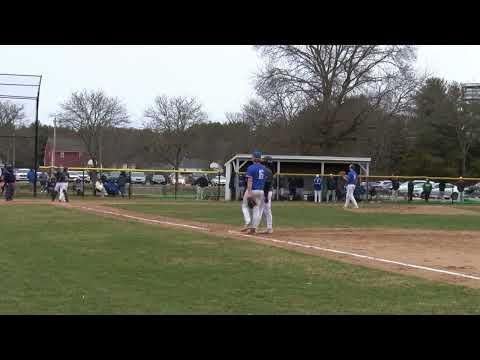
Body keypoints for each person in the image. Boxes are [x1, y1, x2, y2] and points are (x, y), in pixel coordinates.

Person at [240, 150, 267, 234]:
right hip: (261, 191)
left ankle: (247, 221)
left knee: (244, 206)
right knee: (256, 209)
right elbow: (264, 180)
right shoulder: (264, 168)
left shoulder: (251, 168)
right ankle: (254, 228)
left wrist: (249, 193)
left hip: (253, 190)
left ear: (254, 158)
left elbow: (250, 181)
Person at [258, 155, 274, 234]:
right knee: (267, 210)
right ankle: (269, 228)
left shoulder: (263, 170)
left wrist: (265, 195)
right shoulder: (270, 171)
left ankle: (254, 227)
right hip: (269, 192)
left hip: (265, 191)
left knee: (259, 209)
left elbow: (266, 184)